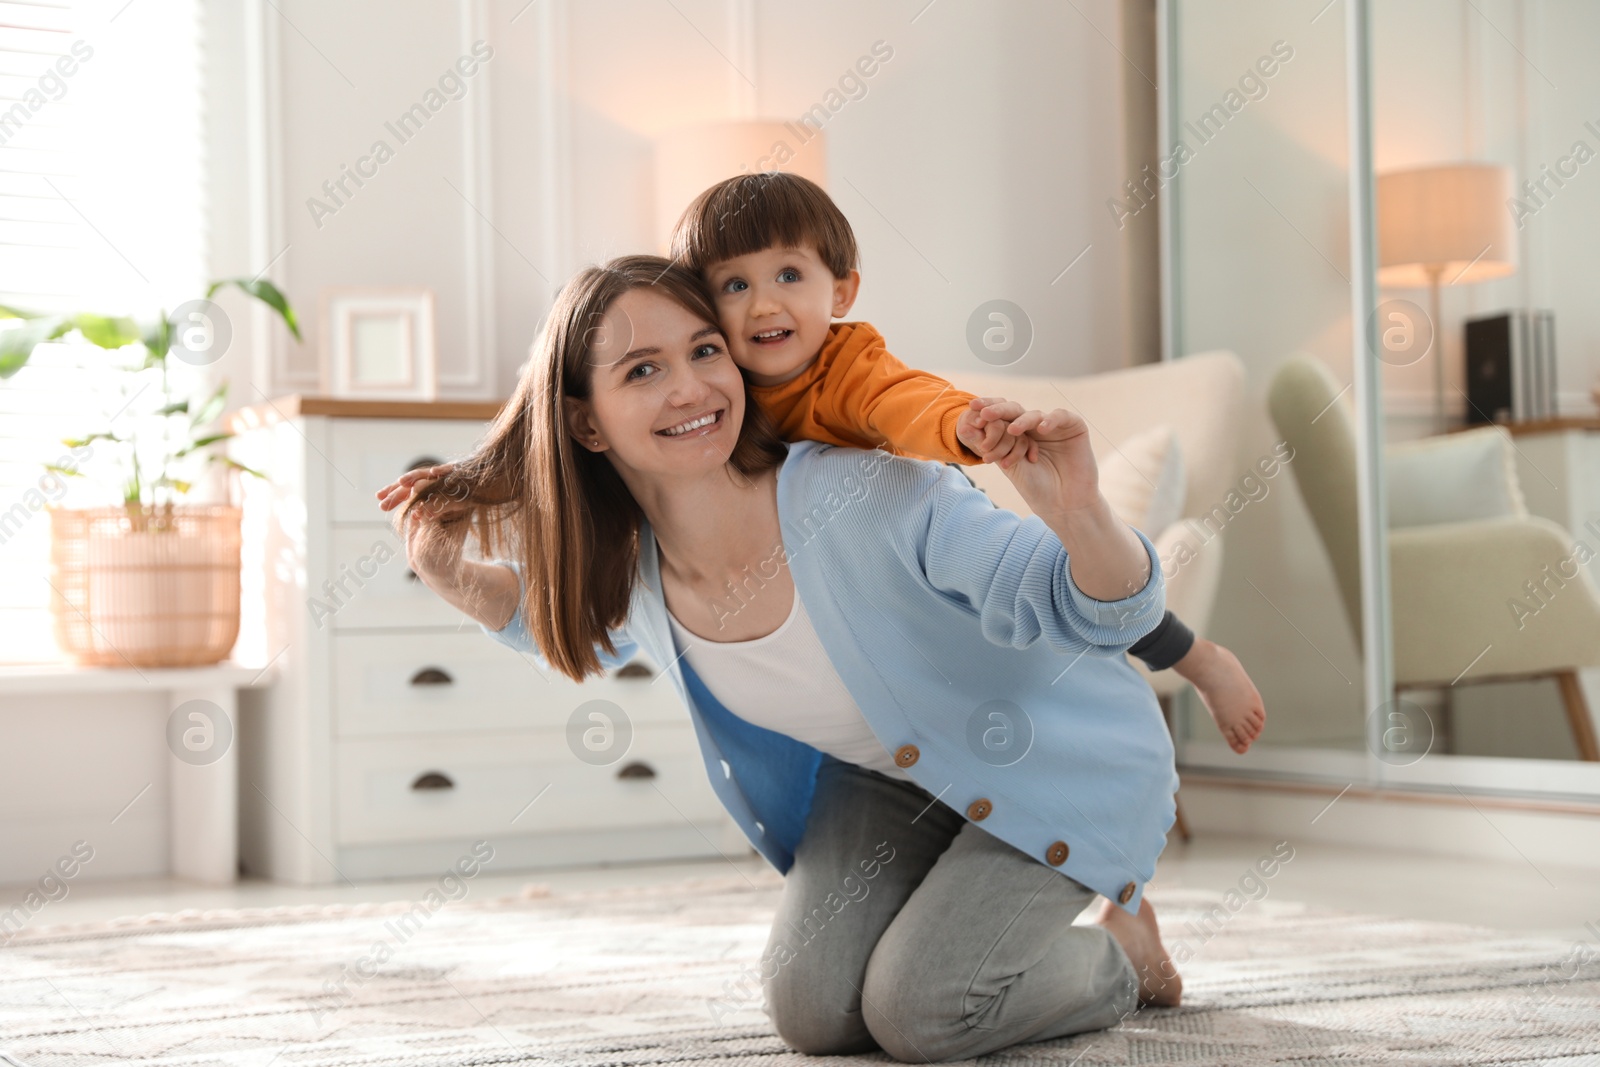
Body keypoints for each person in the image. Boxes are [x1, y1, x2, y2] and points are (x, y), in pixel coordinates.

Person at [378, 256, 1186, 1062]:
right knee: (814, 1010)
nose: (692, 388)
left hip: (1051, 762)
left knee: (920, 1013)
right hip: (893, 781)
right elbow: (563, 625)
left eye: (704, 350)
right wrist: (450, 573)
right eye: (643, 370)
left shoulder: (866, 494)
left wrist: (1081, 518)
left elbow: (1086, 608)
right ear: (587, 424)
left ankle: (1125, 958)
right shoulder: (640, 572)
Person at [670, 172, 1264, 754]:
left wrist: (960, 423)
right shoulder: (715, 390)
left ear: (842, 292)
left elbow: (900, 400)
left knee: (1059, 587)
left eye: (789, 275)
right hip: (854, 579)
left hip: (932, 529)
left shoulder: (847, 368)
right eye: (733, 286)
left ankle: (1198, 659)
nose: (763, 304)